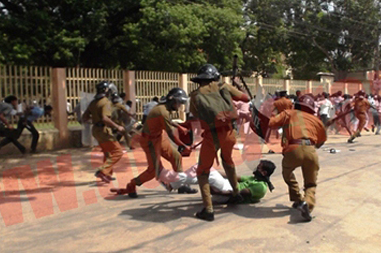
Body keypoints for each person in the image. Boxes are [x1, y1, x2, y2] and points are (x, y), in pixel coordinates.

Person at [189, 64, 250, 221]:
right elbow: (246, 98)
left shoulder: (195, 95)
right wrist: (237, 87)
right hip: (229, 133)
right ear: (215, 76)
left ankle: (208, 210)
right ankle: (236, 194)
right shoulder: (224, 86)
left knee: (203, 172)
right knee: (228, 161)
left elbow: (195, 114)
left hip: (211, 135)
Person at [118, 88, 192, 197]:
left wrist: (179, 127)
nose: (180, 105)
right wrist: (183, 145)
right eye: (179, 103)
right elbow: (171, 134)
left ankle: (179, 185)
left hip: (159, 137)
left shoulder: (165, 108)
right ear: (172, 100)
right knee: (153, 170)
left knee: (176, 156)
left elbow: (168, 121)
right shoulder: (162, 111)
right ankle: (132, 184)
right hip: (149, 141)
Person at [268, 94, 326, 222]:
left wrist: (272, 112)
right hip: (311, 150)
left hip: (293, 149)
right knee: (311, 184)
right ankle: (307, 203)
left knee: (287, 172)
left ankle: (297, 198)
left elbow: (271, 123)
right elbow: (321, 142)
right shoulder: (317, 120)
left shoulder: (289, 113)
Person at [159, 160, 276, 204]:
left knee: (203, 171)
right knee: (202, 170)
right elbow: (234, 177)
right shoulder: (254, 178)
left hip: (226, 193)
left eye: (259, 167)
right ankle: (172, 184)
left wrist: (216, 193)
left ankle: (171, 181)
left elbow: (237, 193)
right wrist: (215, 171)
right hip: (226, 187)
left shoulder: (260, 187)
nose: (256, 168)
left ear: (264, 172)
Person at [81, 81, 126, 183]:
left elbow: (84, 117)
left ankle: (107, 174)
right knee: (118, 152)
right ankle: (103, 171)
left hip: (96, 130)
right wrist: (117, 126)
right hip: (104, 130)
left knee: (108, 152)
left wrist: (95, 121)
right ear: (106, 91)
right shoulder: (105, 102)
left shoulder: (93, 102)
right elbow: (105, 118)